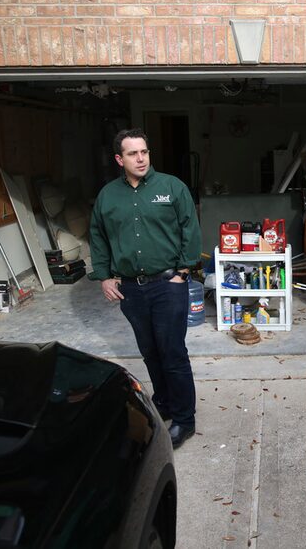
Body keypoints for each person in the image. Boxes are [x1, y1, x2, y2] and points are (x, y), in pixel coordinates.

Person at [88, 128, 202, 449]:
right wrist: (104, 276)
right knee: (149, 350)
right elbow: (97, 236)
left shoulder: (171, 187)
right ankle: (164, 402)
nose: (140, 159)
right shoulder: (108, 196)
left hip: (168, 284)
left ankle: (184, 418)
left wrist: (183, 270)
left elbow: (189, 228)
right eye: (132, 154)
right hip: (132, 290)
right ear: (118, 159)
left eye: (144, 152)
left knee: (172, 352)